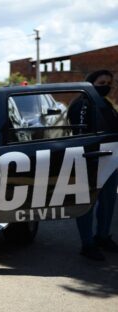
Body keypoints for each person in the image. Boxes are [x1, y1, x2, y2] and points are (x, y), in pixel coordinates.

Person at [68, 69, 118, 260]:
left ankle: (102, 237)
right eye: (101, 83)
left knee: (108, 202)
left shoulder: (105, 104)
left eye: (108, 83)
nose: (105, 86)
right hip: (88, 160)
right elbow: (80, 134)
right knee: (87, 204)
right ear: (91, 83)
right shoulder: (82, 104)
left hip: (110, 160)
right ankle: (87, 244)